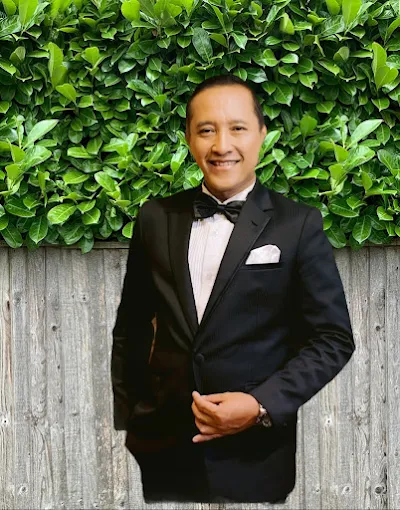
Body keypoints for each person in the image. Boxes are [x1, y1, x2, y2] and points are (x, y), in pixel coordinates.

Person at [111, 74, 355, 504]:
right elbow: (132, 325)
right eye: (206, 130)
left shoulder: (298, 224)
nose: (222, 145)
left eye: (237, 128)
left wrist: (261, 404)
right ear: (188, 139)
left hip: (256, 456)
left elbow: (333, 338)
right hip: (165, 451)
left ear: (262, 134)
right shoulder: (154, 218)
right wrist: (131, 420)